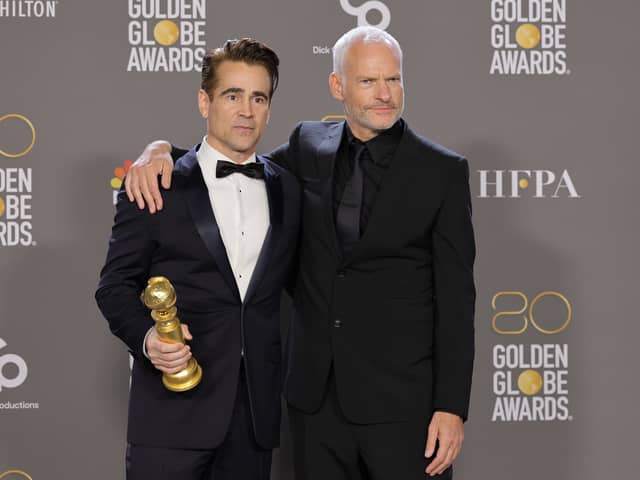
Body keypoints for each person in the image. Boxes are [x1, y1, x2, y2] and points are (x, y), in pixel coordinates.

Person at [126, 26, 475, 480]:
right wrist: (161, 152)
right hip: (314, 407)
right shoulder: (308, 146)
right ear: (338, 87)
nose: (384, 94)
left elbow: (456, 300)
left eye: (393, 80)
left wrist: (451, 408)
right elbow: (230, 162)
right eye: (368, 82)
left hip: (404, 408)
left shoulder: (442, 171)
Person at [95, 38, 301, 480]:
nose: (246, 110)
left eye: (258, 97)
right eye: (232, 95)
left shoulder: (289, 188)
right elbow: (114, 287)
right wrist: (148, 339)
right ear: (204, 102)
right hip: (171, 415)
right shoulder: (155, 185)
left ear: (269, 108)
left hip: (254, 422)